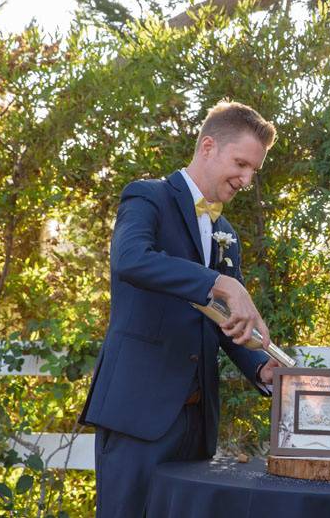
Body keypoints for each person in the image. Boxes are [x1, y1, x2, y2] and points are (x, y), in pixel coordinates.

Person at [79, 101, 280, 518]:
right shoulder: (147, 196)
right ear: (208, 146)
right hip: (139, 412)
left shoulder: (225, 233)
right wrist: (219, 282)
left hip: (197, 420)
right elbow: (131, 259)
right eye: (241, 163)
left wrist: (260, 366)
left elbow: (226, 320)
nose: (246, 178)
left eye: (253, 171)